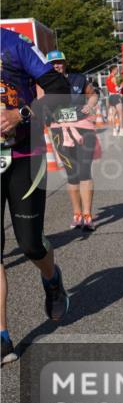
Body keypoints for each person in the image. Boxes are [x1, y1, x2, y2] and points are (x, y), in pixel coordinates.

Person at [1, 28, 72, 365]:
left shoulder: (13, 45)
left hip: (25, 159)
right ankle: (2, 335)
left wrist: (20, 115)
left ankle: (51, 277)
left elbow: (59, 89)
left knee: (30, 244)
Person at [46, 50, 99, 231]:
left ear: (65, 63)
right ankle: (77, 214)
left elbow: (93, 94)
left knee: (85, 171)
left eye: (59, 62)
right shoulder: (45, 83)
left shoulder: (78, 79)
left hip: (84, 129)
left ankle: (87, 216)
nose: (57, 66)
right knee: (72, 174)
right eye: (53, 63)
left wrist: (90, 104)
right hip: (60, 131)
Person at [105, 65, 123, 136]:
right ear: (113, 70)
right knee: (120, 113)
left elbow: (110, 89)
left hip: (111, 96)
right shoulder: (113, 78)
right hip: (115, 96)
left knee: (114, 114)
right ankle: (121, 130)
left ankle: (114, 130)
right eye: (116, 69)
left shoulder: (108, 78)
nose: (117, 71)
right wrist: (122, 86)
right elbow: (116, 89)